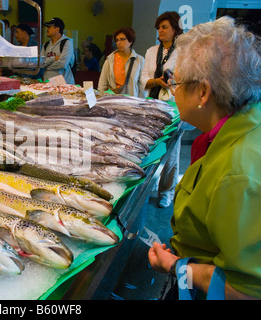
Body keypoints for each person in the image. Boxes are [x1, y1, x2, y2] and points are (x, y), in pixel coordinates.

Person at [148, 17, 261, 300]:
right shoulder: (238, 126)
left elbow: (247, 291)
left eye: (178, 83)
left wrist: (176, 267)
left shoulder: (238, 172)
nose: (173, 91)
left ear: (202, 92)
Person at [141, 11, 183, 208]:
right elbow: (143, 80)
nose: (161, 30)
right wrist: (155, 81)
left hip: (174, 106)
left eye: (165, 27)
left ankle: (167, 192)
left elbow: (186, 78)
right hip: (152, 103)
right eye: (159, 27)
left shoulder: (183, 52)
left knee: (172, 152)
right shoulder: (151, 51)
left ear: (175, 29)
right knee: (150, 147)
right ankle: (147, 187)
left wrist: (174, 82)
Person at [98, 27, 145, 97]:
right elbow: (102, 83)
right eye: (117, 40)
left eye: (123, 39)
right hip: (113, 101)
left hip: (132, 102)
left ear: (131, 41)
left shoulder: (139, 60)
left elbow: (142, 86)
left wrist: (142, 103)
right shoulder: (110, 59)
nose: (119, 43)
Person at [41, 17, 75, 84]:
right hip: (48, 84)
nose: (47, 29)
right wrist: (54, 59)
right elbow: (41, 64)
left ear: (57, 29)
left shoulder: (67, 43)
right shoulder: (46, 45)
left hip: (65, 86)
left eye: (49, 27)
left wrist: (47, 66)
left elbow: (62, 64)